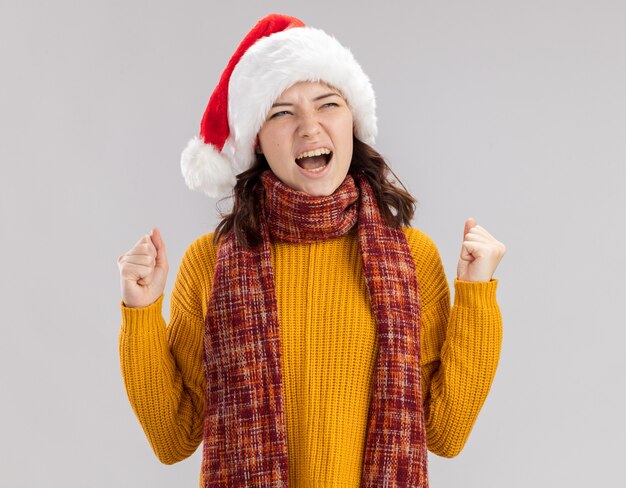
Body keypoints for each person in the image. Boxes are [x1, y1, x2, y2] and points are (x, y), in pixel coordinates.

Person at [117, 13, 505, 488]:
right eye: (282, 111)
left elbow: (446, 432)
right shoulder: (212, 262)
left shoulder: (411, 257)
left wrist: (476, 294)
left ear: (353, 122)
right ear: (258, 139)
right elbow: (172, 436)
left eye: (328, 104)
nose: (309, 127)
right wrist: (141, 311)